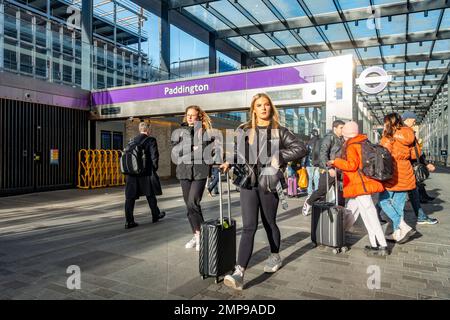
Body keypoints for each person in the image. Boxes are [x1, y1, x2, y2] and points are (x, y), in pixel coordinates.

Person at [220, 93, 307, 290]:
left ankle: (275, 255)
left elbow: (301, 148)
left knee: (269, 223)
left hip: (268, 183)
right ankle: (239, 271)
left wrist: (279, 155)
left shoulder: (280, 131)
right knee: (249, 226)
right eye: (259, 105)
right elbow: (239, 153)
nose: (264, 108)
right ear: (254, 109)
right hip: (248, 184)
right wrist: (229, 162)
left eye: (266, 104)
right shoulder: (244, 130)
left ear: (271, 108)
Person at [327, 121, 389, 256]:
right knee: (366, 214)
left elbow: (352, 165)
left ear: (347, 135)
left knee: (370, 214)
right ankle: (374, 243)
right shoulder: (362, 142)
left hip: (359, 185)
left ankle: (382, 245)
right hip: (362, 183)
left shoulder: (352, 146)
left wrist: (335, 162)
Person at [172, 105, 212, 252]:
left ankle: (202, 235)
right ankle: (197, 235)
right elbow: (176, 150)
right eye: (187, 114)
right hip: (183, 172)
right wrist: (192, 147)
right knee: (190, 207)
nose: (189, 117)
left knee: (193, 202)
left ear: (198, 116)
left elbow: (205, 150)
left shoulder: (205, 131)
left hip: (200, 172)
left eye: (192, 115)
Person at [378, 113, 417, 243]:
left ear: (389, 122)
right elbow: (415, 154)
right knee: (398, 205)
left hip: (392, 172)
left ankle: (403, 225)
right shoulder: (410, 134)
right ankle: (397, 233)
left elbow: (383, 154)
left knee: (383, 200)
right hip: (406, 171)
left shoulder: (388, 135)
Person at [124, 122, 166, 229]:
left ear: (140, 129)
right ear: (148, 130)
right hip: (145, 173)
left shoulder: (131, 141)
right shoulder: (150, 140)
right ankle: (155, 215)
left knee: (130, 198)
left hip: (131, 174)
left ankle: (129, 221)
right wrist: (154, 169)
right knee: (150, 194)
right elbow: (154, 156)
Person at [401, 111, 438, 225]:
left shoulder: (403, 132)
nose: (415, 121)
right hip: (407, 168)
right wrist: (426, 164)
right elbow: (415, 152)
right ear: (407, 119)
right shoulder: (407, 133)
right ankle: (384, 214)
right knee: (403, 193)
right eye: (413, 119)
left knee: (409, 192)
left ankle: (420, 216)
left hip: (406, 167)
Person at [302, 120, 345, 216]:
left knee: (341, 193)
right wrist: (329, 168)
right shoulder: (329, 138)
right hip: (329, 171)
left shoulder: (342, 139)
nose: (343, 130)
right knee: (322, 190)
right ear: (335, 128)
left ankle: (341, 214)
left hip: (340, 170)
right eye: (341, 128)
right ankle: (308, 202)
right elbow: (323, 154)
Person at [305, 129, 321, 196]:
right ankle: (317, 191)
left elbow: (305, 153)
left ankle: (310, 192)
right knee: (316, 178)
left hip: (309, 163)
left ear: (312, 134)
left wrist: (303, 163)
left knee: (310, 178)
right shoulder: (320, 142)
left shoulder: (309, 142)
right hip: (318, 163)